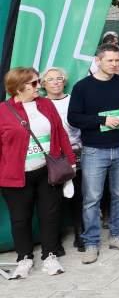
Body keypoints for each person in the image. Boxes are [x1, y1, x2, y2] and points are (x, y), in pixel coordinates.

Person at [1, 67, 76, 278]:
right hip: (16, 176)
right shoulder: (3, 111)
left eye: (38, 82)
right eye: (34, 83)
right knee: (20, 219)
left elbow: (61, 134)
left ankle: (50, 256)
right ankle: (24, 258)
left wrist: (71, 163)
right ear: (18, 87)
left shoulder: (46, 104)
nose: (39, 87)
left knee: (50, 215)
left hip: (47, 172)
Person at [69, 43, 119, 263]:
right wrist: (102, 120)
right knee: (92, 199)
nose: (116, 64)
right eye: (110, 60)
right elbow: (74, 118)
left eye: (118, 61)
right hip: (94, 151)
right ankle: (91, 242)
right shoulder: (82, 87)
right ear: (98, 61)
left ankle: (117, 236)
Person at [40, 67, 84, 252]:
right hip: (53, 156)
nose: (56, 82)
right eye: (50, 79)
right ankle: (54, 241)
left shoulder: (74, 100)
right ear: (43, 84)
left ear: (65, 81)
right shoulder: (40, 104)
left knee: (79, 197)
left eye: (59, 78)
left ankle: (80, 235)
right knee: (53, 200)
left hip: (77, 153)